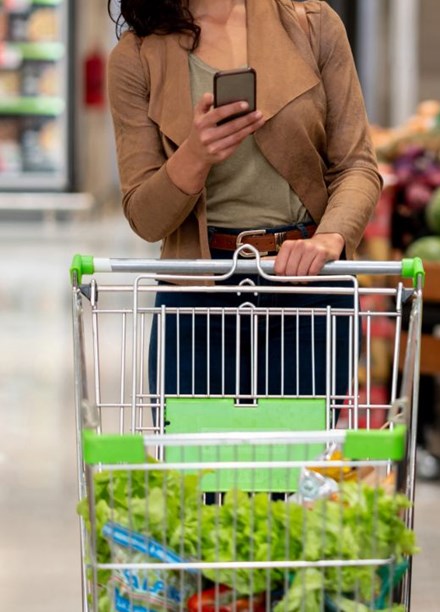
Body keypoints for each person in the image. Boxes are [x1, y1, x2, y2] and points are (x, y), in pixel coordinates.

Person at [108, 0, 382, 406]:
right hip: (196, 294)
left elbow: (356, 166)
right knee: (194, 448)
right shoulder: (136, 56)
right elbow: (145, 218)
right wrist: (195, 155)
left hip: (308, 285)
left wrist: (330, 237)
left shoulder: (312, 25)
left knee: (301, 447)